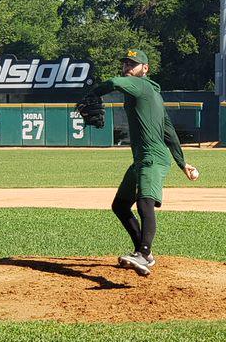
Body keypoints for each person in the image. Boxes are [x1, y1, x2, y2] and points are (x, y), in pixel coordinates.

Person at [78, 48, 198, 277]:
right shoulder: (153, 94)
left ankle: (144, 253)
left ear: (145, 69)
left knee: (145, 203)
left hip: (152, 158)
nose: (127, 68)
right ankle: (143, 254)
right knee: (120, 206)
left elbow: (113, 81)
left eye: (132, 64)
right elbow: (169, 131)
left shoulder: (141, 85)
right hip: (142, 159)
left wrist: (94, 93)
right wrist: (183, 163)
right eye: (125, 64)